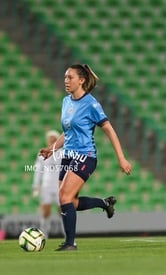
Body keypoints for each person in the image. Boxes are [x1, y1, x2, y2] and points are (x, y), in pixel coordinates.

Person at [40, 64, 131, 251]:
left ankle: (70, 243)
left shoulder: (91, 104)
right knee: (69, 201)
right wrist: (53, 148)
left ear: (81, 80)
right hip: (68, 155)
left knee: (64, 197)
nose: (66, 80)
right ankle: (104, 203)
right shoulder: (66, 102)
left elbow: (109, 130)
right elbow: (68, 132)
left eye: (70, 77)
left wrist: (121, 158)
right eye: (65, 77)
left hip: (85, 156)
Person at [32, 130, 63, 237]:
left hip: (59, 185)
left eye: (53, 139)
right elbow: (38, 170)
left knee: (62, 211)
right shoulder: (42, 153)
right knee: (45, 211)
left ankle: (67, 234)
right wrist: (35, 186)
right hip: (46, 186)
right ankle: (44, 235)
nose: (51, 141)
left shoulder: (63, 153)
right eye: (49, 139)